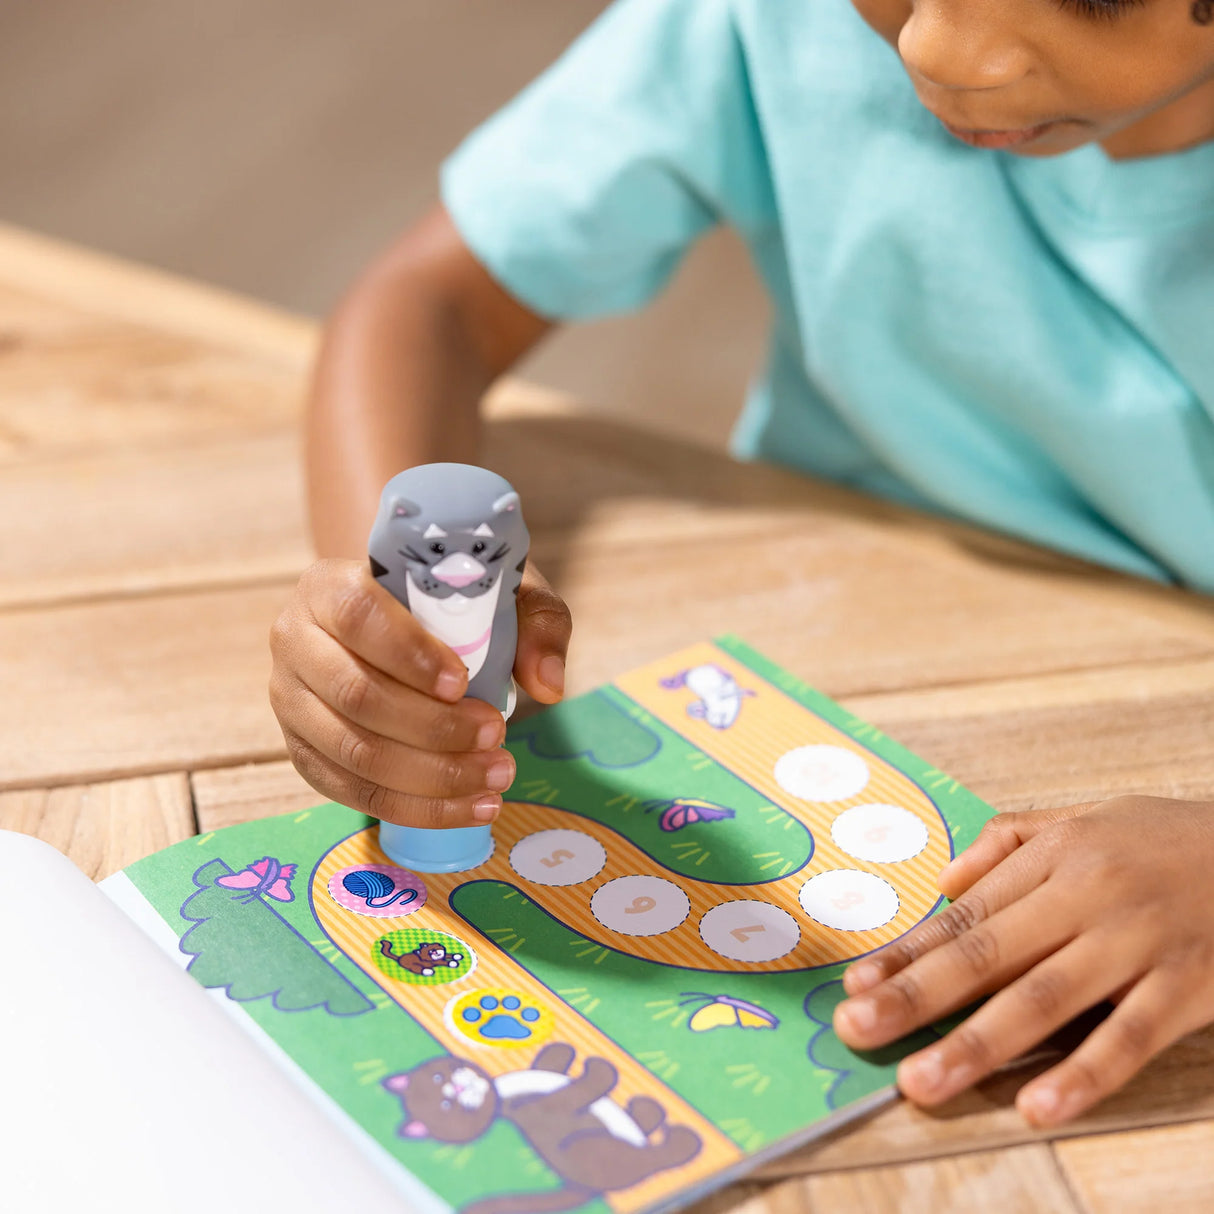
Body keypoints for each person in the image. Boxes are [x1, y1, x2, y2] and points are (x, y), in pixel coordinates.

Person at [269, 0, 1214, 1132]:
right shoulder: (778, 23)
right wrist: (390, 600)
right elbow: (429, 301)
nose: (936, 48)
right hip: (804, 645)